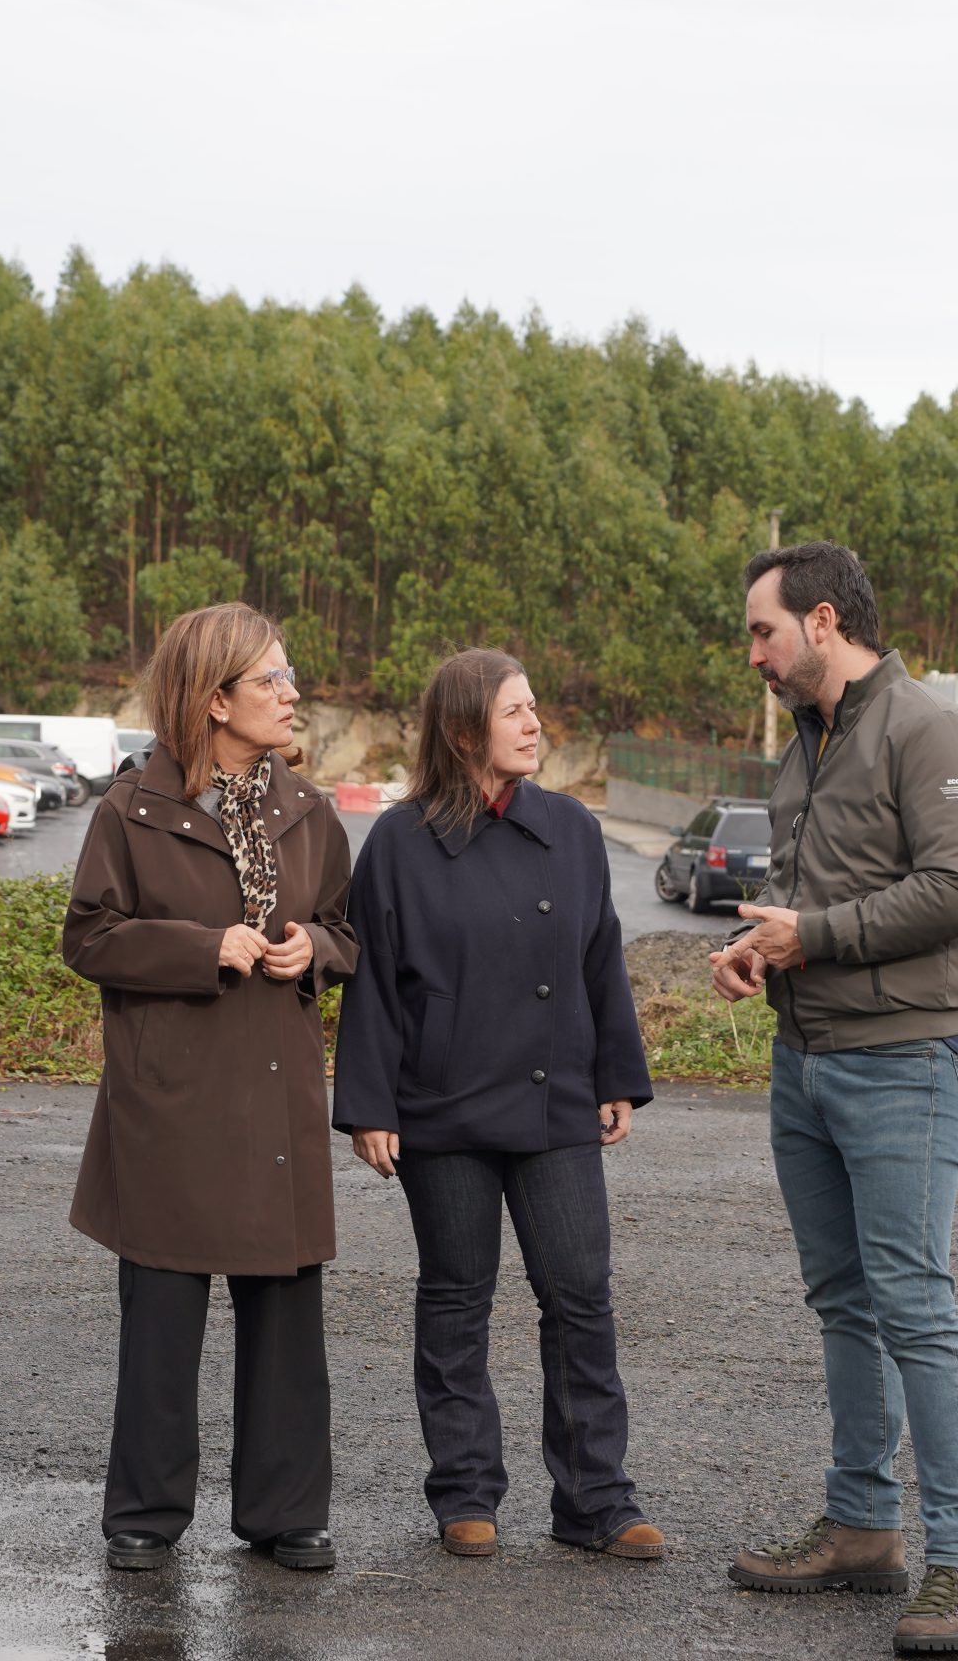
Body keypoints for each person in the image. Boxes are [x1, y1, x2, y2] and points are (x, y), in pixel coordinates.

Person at [710, 541, 958, 1654]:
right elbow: (811, 890)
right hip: (806, 1060)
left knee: (915, 1305)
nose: (754, 655)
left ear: (824, 621)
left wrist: (817, 936)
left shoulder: (931, 731)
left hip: (903, 1061)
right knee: (844, 1299)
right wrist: (760, 946)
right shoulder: (807, 740)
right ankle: (862, 1525)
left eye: (764, 631)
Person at [332, 648, 666, 1564]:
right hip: (441, 1106)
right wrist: (369, 1105)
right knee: (455, 1298)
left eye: (534, 708)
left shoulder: (572, 827)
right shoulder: (398, 842)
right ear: (461, 731)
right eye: (514, 710)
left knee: (580, 1296)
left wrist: (615, 1076)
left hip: (555, 1101)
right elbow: (374, 984)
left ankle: (595, 1499)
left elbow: (601, 956)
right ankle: (465, 1492)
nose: (534, 724)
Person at [61, 601, 358, 1574]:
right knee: (162, 1314)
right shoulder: (130, 810)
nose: (292, 693)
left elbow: (349, 929)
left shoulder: (308, 811)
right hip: (172, 1098)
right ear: (215, 698)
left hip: (275, 1092)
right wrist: (201, 948)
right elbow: (89, 937)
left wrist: (315, 948)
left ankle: (287, 1511)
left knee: (286, 1313)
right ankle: (145, 1513)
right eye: (272, 678)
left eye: (288, 675)